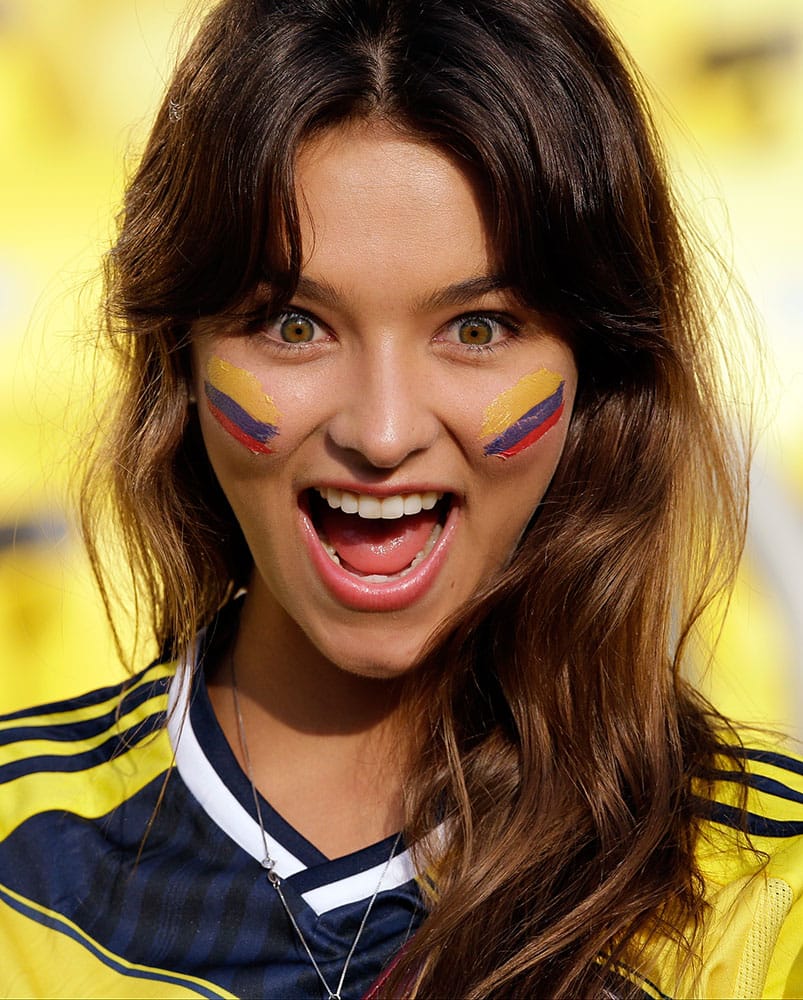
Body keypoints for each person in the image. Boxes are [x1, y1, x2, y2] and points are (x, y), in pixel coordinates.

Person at [1, 0, 801, 996]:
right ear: (181, 350)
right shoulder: (18, 874)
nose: (380, 434)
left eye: (476, 329)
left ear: (597, 370)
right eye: (294, 325)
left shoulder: (765, 895)